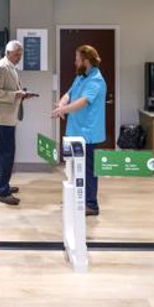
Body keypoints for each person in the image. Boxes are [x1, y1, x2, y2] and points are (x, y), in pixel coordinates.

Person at [52, 44, 107, 216]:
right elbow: (69, 94)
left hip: (87, 133)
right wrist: (62, 104)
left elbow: (83, 101)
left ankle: (91, 204)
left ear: (86, 61)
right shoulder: (81, 77)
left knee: (88, 170)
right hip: (74, 131)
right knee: (74, 169)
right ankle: (76, 199)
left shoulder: (96, 80)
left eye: (77, 59)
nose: (75, 62)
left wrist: (64, 110)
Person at [0, 40, 35, 205]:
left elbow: (10, 90)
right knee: (7, 154)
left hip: (6, 116)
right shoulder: (1, 67)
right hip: (3, 118)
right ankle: (3, 192)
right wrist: (16, 95)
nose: (19, 57)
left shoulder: (10, 67)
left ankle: (1, 185)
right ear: (8, 53)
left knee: (2, 153)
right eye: (17, 54)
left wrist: (22, 94)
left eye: (21, 54)